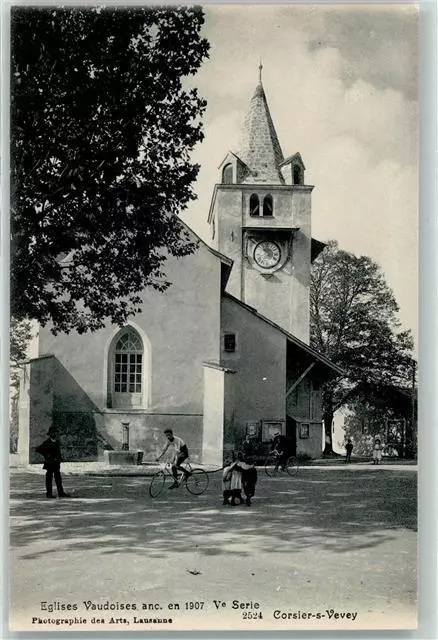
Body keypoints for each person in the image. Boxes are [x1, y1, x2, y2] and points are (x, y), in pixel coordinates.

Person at [35, 427, 70, 499]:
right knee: (49, 479)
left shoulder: (57, 442)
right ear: (50, 434)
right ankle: (49, 494)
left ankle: (61, 492)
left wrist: (60, 458)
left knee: (58, 479)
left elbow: (58, 452)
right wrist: (47, 455)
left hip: (56, 463)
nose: (54, 434)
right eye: (53, 433)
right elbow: (38, 449)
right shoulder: (47, 442)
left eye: (55, 433)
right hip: (50, 463)